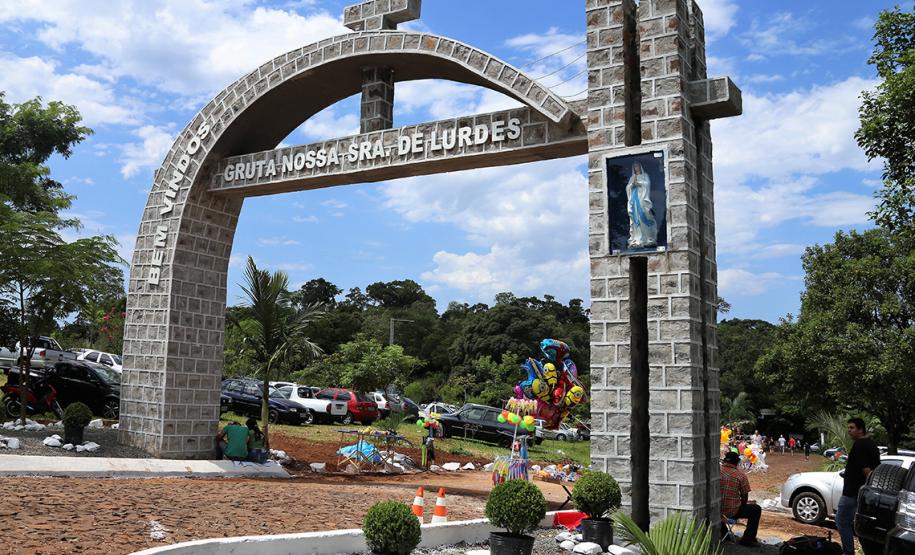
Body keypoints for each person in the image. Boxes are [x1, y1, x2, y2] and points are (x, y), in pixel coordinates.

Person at [836, 418, 880, 555]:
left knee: (842, 521)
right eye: (848, 428)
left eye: (852, 428)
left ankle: (848, 553)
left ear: (861, 429)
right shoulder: (872, 444)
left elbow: (867, 470)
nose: (849, 431)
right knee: (857, 524)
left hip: (853, 493)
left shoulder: (860, 445)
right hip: (863, 493)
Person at [720, 451, 761, 547]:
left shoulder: (716, 472)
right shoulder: (741, 476)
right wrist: (742, 504)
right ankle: (747, 539)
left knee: (719, 511)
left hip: (715, 510)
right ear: (737, 463)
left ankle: (724, 532)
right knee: (756, 509)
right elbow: (744, 497)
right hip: (732, 511)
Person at [625, 161, 657, 248]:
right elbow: (628, 187)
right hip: (635, 199)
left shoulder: (644, 175)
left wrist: (640, 184)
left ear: (640, 167)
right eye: (634, 167)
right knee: (636, 217)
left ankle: (648, 237)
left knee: (644, 214)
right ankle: (637, 237)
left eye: (637, 166)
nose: (636, 168)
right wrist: (632, 185)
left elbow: (647, 184)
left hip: (642, 198)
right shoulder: (632, 177)